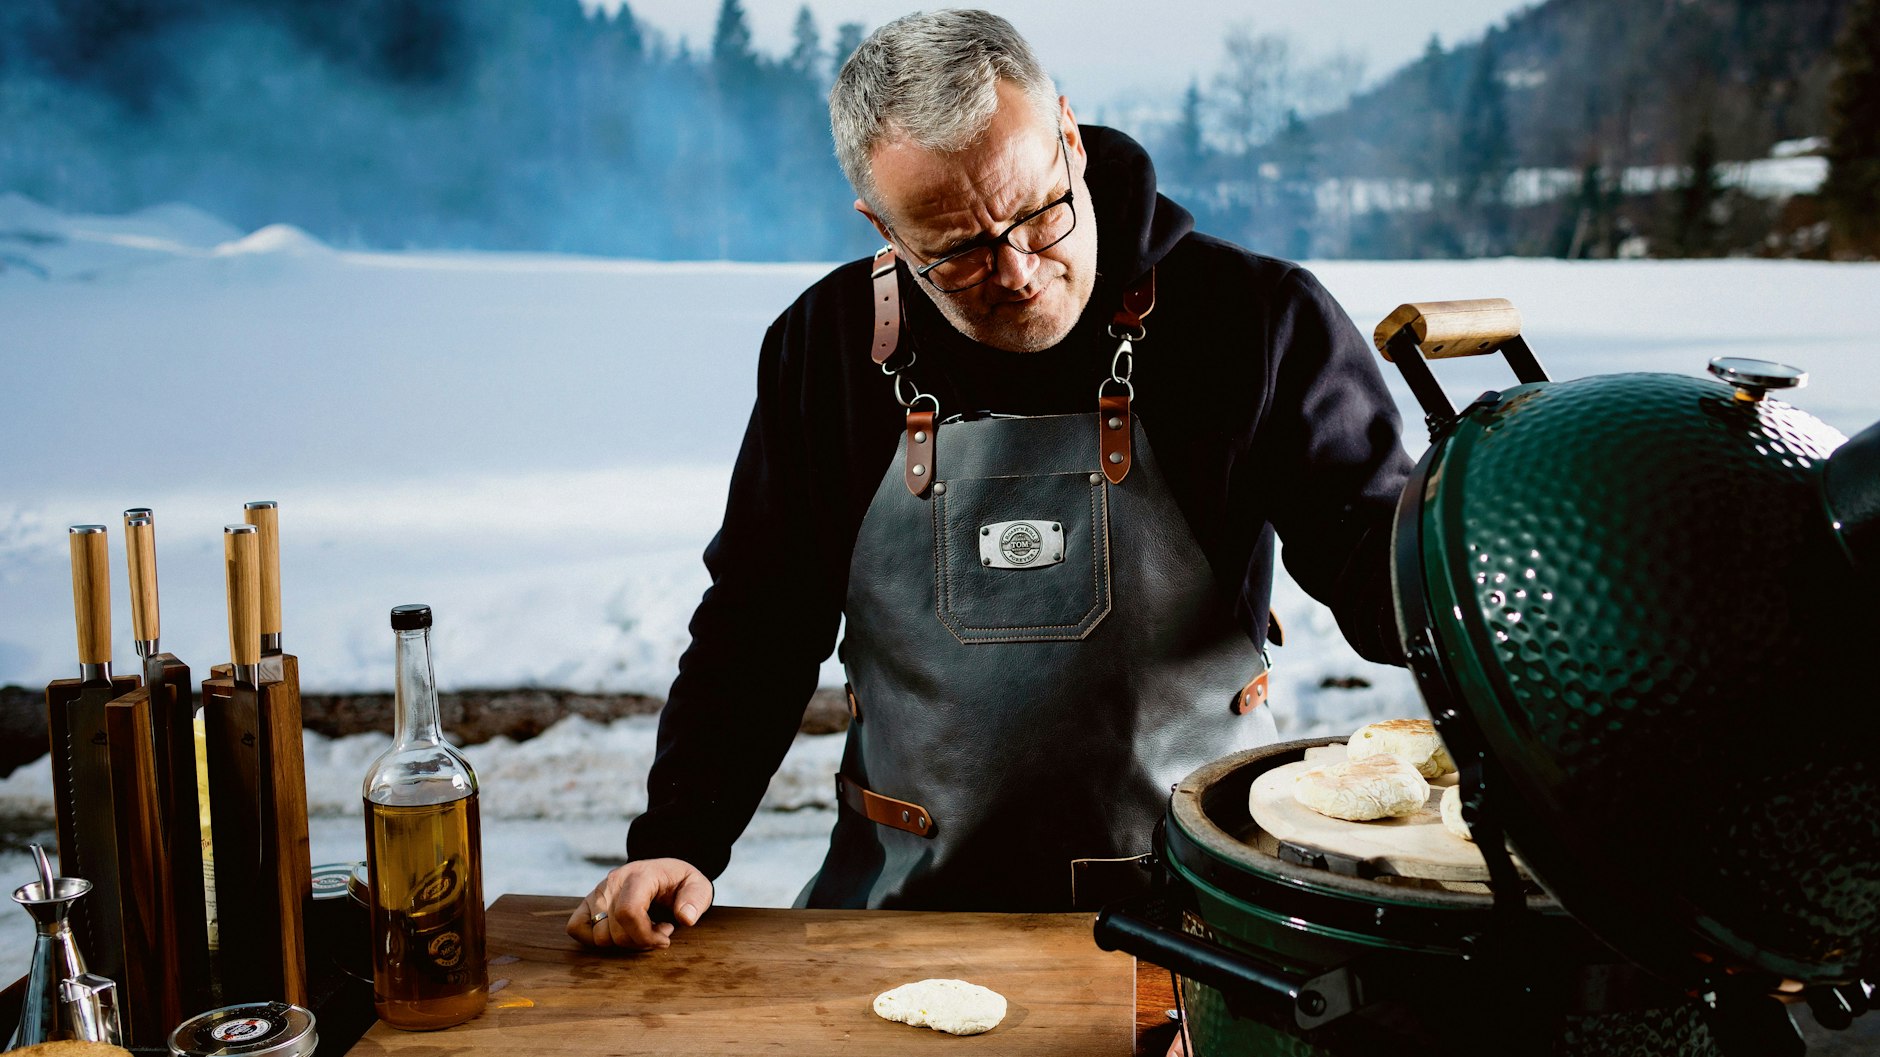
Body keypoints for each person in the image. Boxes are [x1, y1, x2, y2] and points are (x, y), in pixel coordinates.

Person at [569, 9, 1411, 953]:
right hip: (898, 918)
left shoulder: (1254, 322)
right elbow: (758, 624)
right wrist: (681, 840)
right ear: (881, 227)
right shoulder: (826, 348)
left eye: (1038, 212)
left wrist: (1496, 582)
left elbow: (1382, 564)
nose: (1016, 271)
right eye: (958, 251)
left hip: (1202, 925)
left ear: (1069, 134)